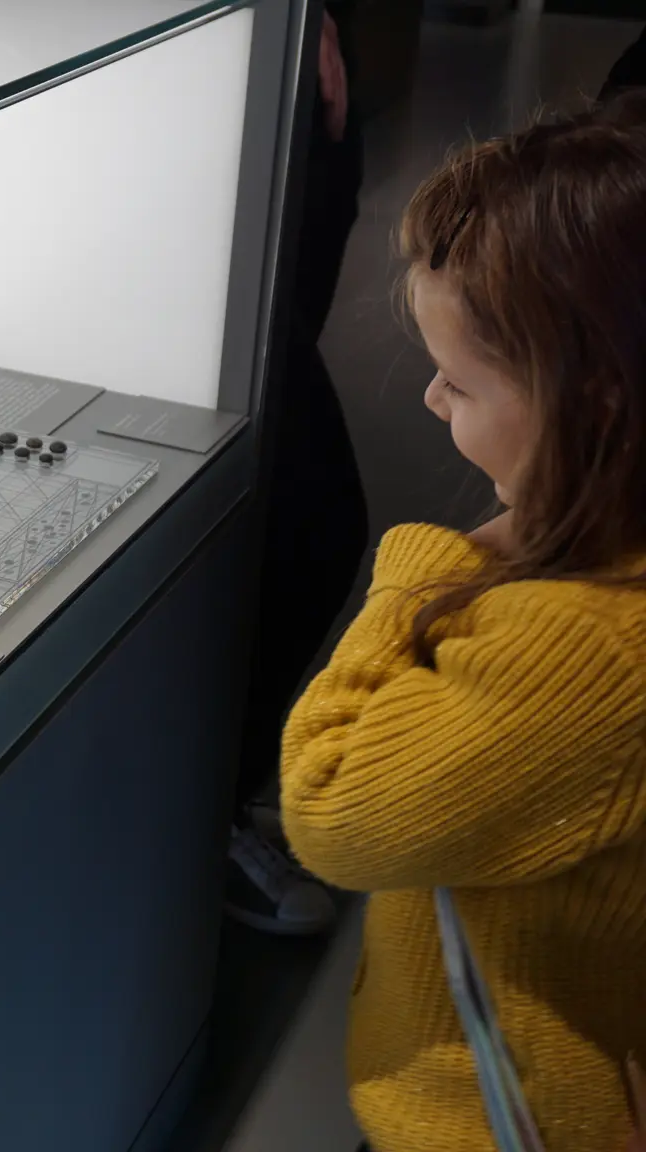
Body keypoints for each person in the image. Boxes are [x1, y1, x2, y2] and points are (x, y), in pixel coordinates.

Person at [280, 93, 646, 1152]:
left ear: (597, 401)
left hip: (490, 1123)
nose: (433, 401)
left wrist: (421, 568)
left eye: (462, 382)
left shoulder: (586, 647)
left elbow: (329, 804)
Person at [226, 3, 369, 935]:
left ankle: (215, 788)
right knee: (311, 516)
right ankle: (201, 806)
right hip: (197, 78)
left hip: (289, 64)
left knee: (281, 511)